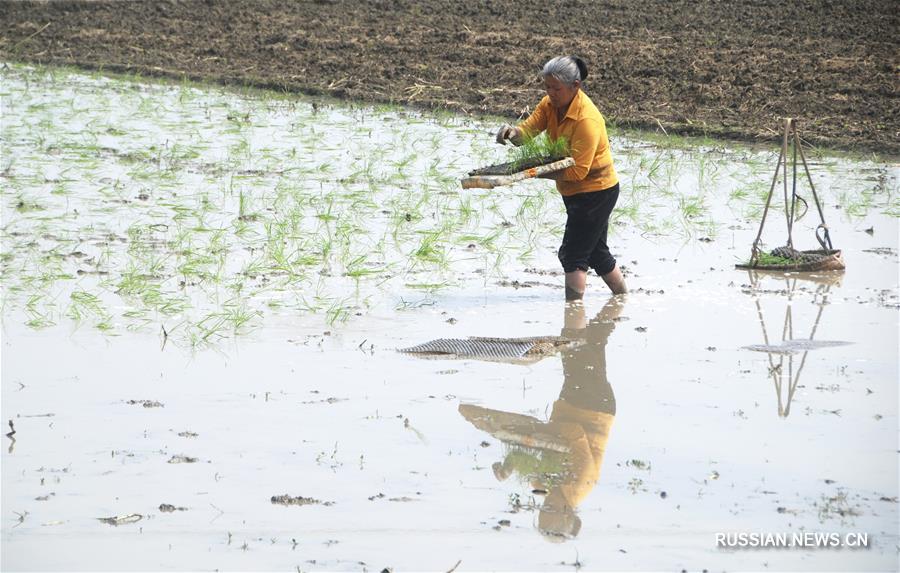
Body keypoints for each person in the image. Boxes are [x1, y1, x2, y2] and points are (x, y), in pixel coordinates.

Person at [496, 55, 626, 299]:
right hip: (575, 190)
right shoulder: (549, 105)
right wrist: (511, 132)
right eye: (547, 87)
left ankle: (573, 315)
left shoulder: (586, 119)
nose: (550, 93)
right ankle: (622, 298)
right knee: (597, 253)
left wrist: (532, 172)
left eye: (556, 88)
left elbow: (578, 172)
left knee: (573, 254)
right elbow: (528, 132)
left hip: (596, 192)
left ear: (575, 86)